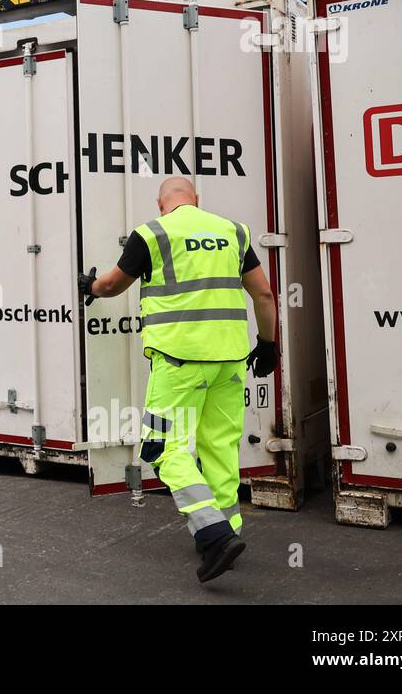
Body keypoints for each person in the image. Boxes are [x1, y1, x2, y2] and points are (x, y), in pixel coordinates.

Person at [79, 176, 277, 583]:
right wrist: (269, 344)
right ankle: (228, 533)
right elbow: (264, 295)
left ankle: (213, 533)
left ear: (161, 203)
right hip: (230, 361)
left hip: (179, 362)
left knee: (164, 447)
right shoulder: (233, 231)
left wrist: (91, 288)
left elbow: (114, 283)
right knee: (219, 446)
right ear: (196, 200)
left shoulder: (152, 233)